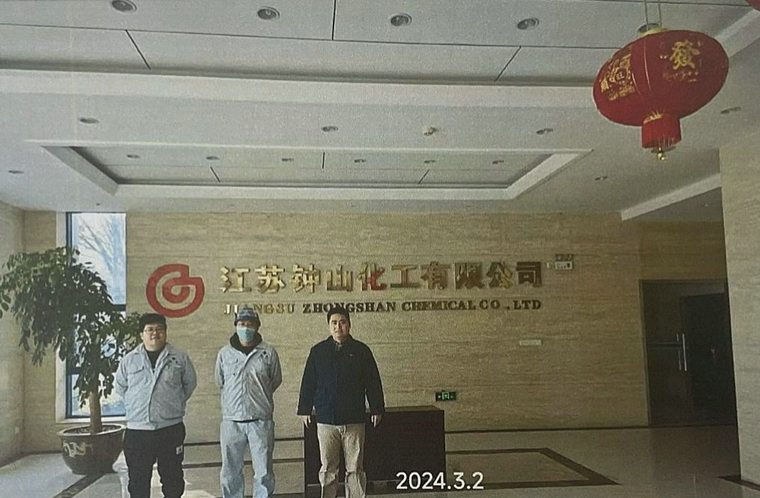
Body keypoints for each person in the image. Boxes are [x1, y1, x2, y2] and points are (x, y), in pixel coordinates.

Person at [297, 305, 385, 498]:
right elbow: (309, 382)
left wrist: (377, 408)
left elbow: (373, 382)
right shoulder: (318, 351)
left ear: (349, 325)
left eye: (342, 322)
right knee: (328, 468)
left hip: (354, 420)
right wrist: (304, 409)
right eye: (334, 323)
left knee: (355, 468)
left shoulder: (361, 351)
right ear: (329, 326)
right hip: (326, 420)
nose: (338, 327)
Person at [115, 313, 197, 498]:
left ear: (165, 332)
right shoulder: (129, 360)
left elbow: (189, 384)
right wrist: (138, 405)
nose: (155, 333)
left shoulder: (179, 358)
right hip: (138, 431)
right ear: (141, 334)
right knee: (138, 481)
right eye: (149, 330)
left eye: (159, 329)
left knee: (172, 478)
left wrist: (171, 403)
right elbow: (121, 387)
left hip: (170, 429)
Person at [215, 306, 283, 498]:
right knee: (230, 472)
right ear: (236, 326)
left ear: (257, 326)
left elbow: (275, 380)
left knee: (264, 473)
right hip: (232, 421)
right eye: (242, 324)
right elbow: (220, 381)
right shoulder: (225, 354)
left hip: (260, 421)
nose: (246, 328)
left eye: (250, 324)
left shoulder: (268, 353)